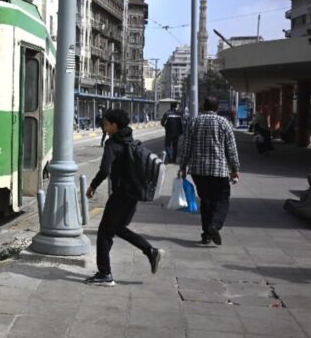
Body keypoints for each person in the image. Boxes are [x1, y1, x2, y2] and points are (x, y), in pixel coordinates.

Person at [84, 109, 166, 286]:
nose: (104, 128)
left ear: (114, 125)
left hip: (120, 195)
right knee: (119, 228)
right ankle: (150, 251)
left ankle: (105, 274)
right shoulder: (131, 142)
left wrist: (92, 186)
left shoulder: (112, 144)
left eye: (106, 124)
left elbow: (105, 169)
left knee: (104, 233)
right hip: (132, 195)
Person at [178, 96, 241, 246]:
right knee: (222, 199)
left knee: (206, 201)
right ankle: (214, 225)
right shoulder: (224, 123)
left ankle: (206, 234)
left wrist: (182, 166)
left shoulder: (194, 122)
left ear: (203, 107)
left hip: (198, 170)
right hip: (218, 170)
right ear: (217, 108)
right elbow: (231, 149)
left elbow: (186, 147)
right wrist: (235, 168)